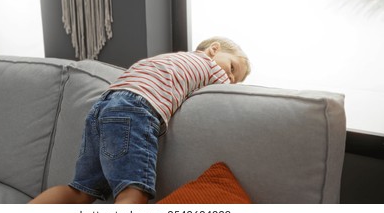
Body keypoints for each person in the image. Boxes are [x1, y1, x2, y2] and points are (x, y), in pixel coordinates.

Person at [29, 36, 251, 204]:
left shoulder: (169, 58)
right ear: (213, 50)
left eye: (235, 80)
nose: (229, 79)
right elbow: (223, 92)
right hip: (135, 108)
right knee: (133, 192)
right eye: (232, 68)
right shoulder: (210, 66)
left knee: (80, 192)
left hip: (103, 106)